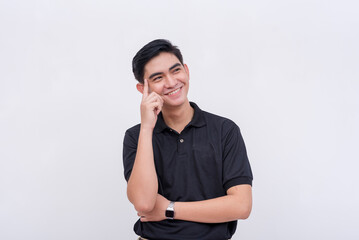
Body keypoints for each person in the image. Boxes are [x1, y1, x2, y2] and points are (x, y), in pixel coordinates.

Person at [123, 39, 253, 240]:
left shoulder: (224, 130)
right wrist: (147, 128)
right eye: (158, 78)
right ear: (143, 89)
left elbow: (241, 206)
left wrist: (169, 208)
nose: (171, 82)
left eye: (175, 71)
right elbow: (144, 204)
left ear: (186, 71)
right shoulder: (136, 136)